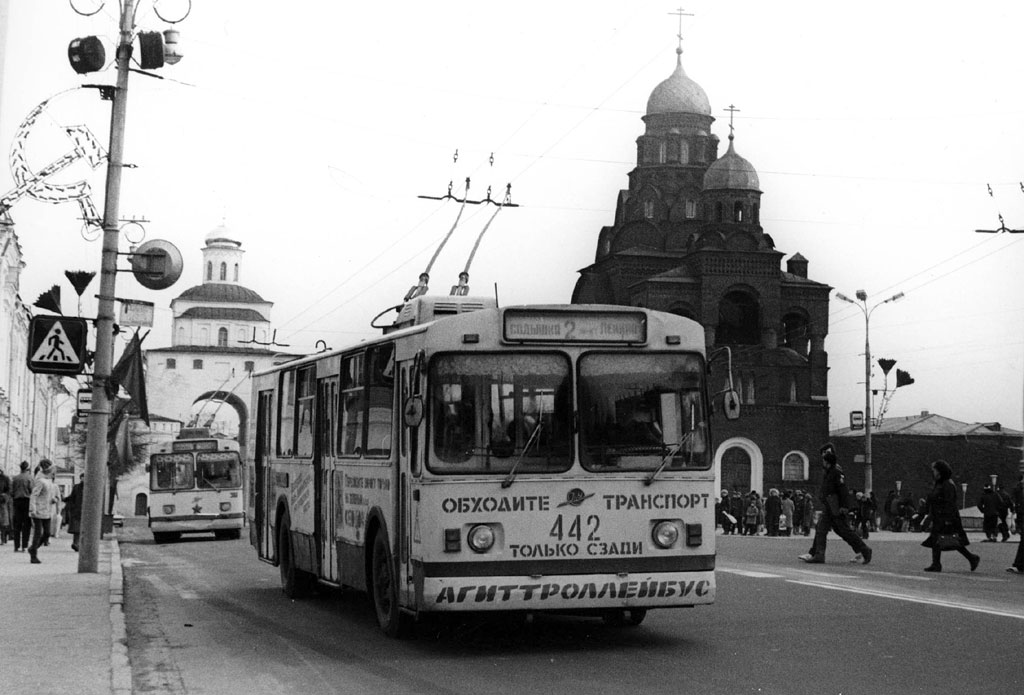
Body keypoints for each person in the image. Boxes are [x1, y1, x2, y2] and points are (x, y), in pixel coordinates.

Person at [798, 443, 872, 565]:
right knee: (823, 529)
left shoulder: (836, 472)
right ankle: (817, 554)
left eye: (825, 453)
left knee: (842, 531)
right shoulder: (829, 471)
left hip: (835, 507)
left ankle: (864, 550)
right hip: (830, 506)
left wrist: (844, 506)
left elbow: (842, 490)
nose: (823, 457)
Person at [921, 459, 979, 572]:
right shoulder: (941, 483)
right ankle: (937, 563)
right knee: (938, 539)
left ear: (940, 471)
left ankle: (971, 558)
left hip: (946, 517)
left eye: (934, 470)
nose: (933, 472)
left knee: (950, 540)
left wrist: (948, 519)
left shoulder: (947, 484)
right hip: (939, 516)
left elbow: (949, 503)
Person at [27, 459, 57, 564]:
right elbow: (34, 495)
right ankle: (33, 555)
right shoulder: (40, 480)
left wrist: (53, 499)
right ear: (48, 469)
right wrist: (32, 509)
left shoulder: (48, 480)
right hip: (38, 510)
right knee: (38, 533)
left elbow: (49, 494)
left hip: (47, 510)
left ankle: (32, 548)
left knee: (47, 533)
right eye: (52, 468)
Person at [11, 461, 33, 552]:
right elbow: (32, 490)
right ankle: (25, 545)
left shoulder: (15, 478)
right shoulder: (30, 478)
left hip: (17, 502)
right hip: (27, 502)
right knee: (26, 525)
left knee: (17, 524)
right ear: (27, 468)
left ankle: (16, 546)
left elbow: (11, 491)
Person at [64, 474, 85, 552]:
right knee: (77, 529)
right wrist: (65, 499)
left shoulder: (89, 487)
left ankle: (79, 544)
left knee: (82, 529)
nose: (83, 479)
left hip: (85, 511)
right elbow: (72, 497)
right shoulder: (76, 487)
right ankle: (76, 543)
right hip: (77, 510)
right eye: (82, 478)